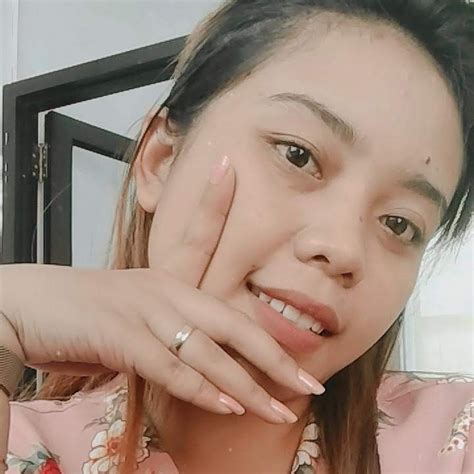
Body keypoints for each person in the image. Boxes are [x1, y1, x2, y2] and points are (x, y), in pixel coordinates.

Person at [1, 0, 473, 472]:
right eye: (297, 155)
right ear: (161, 159)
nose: (343, 249)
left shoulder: (451, 443)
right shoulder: (21, 446)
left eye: (399, 223)